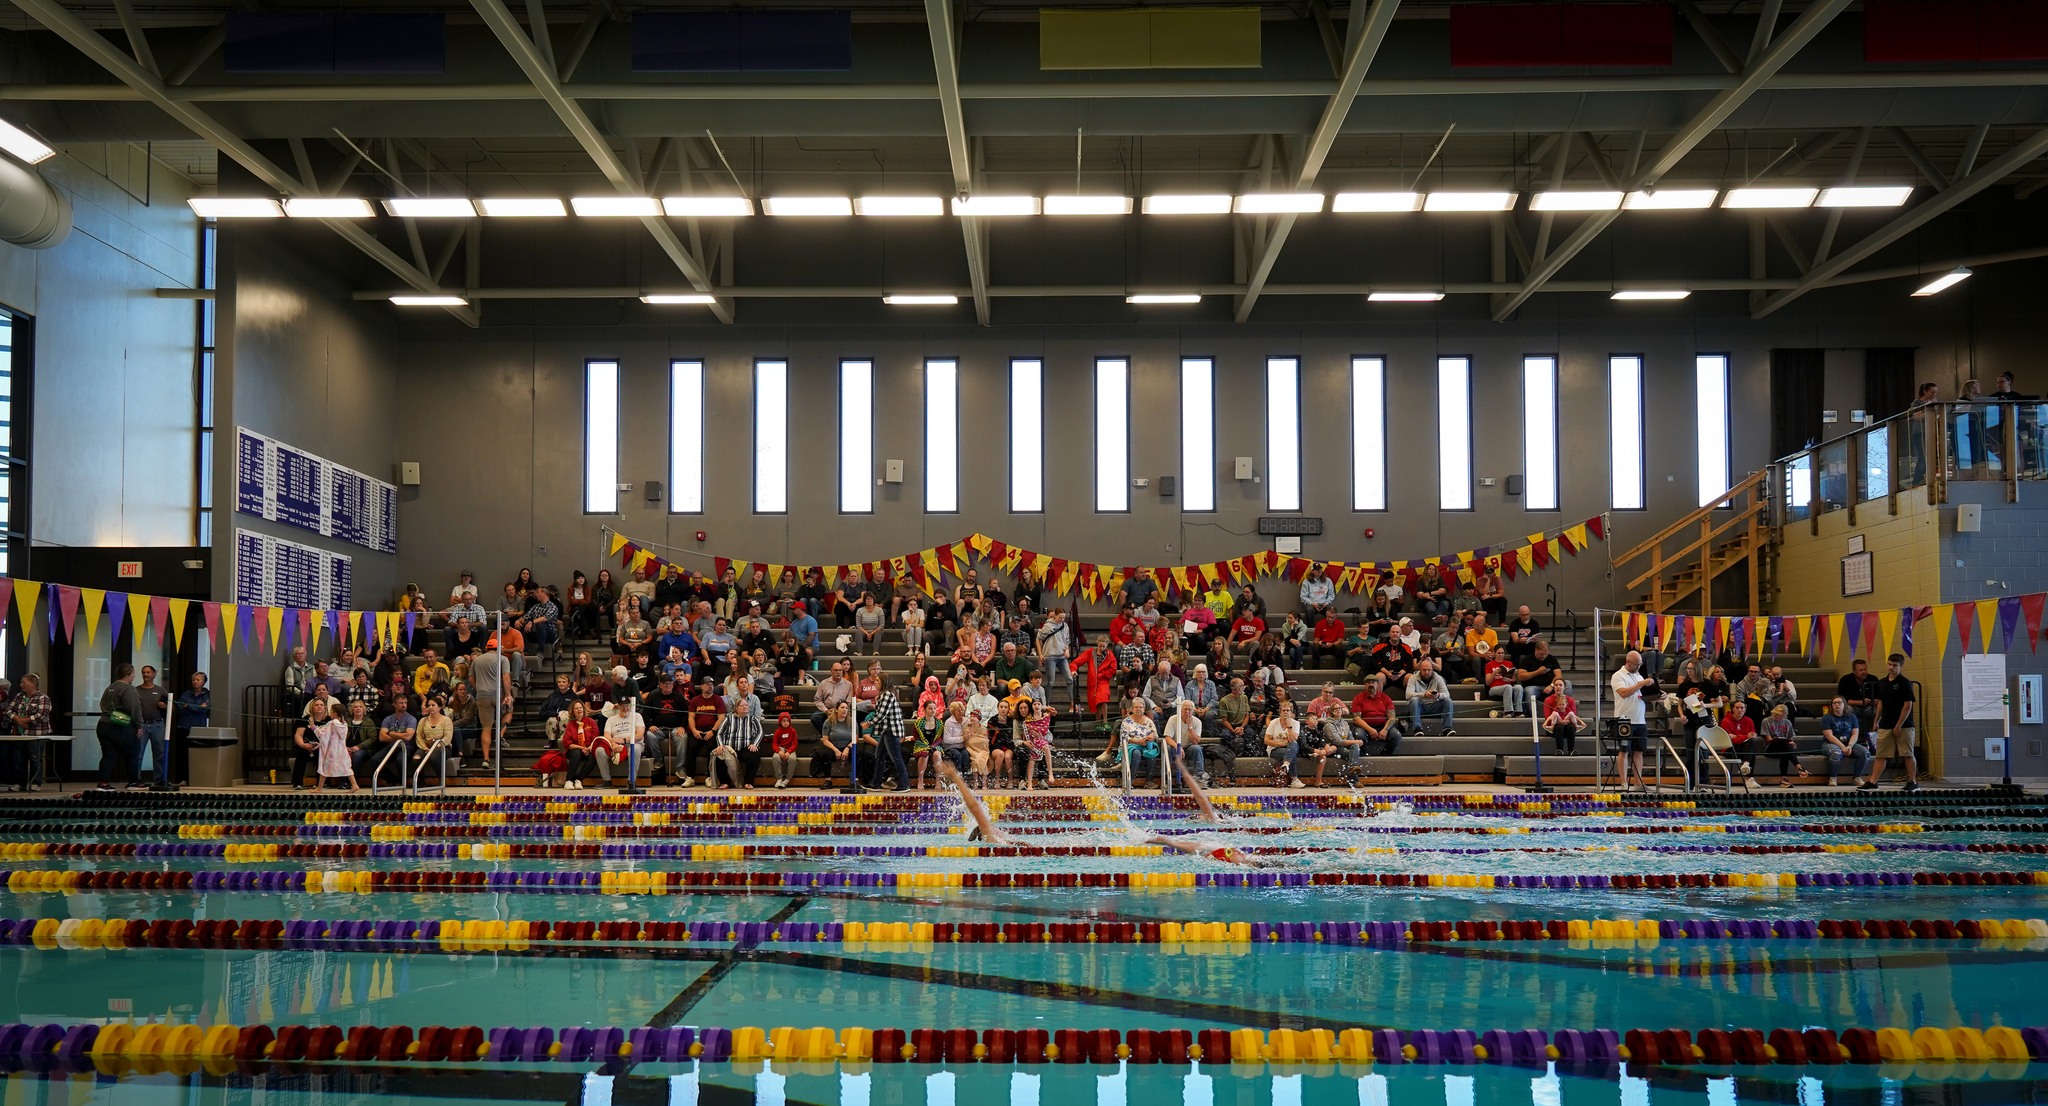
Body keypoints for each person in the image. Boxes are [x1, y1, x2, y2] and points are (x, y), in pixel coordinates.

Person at [1863, 653, 1919, 792]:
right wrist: (1876, 721)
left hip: (1904, 726)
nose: (1891, 667)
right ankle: (1873, 781)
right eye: (1889, 664)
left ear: (1900, 666)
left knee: (1907, 754)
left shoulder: (1904, 683)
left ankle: (1912, 781)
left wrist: (1898, 725)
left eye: (1894, 665)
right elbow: (1881, 703)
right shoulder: (1882, 682)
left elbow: (1908, 706)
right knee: (1881, 755)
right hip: (1885, 724)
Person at [1609, 650, 1654, 792]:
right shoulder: (1618, 676)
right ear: (1628, 662)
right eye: (1636, 664)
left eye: (1640, 664)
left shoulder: (1638, 676)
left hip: (1639, 719)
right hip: (1624, 719)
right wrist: (1641, 684)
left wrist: (1657, 695)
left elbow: (1641, 697)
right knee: (1624, 751)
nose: (1639, 667)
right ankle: (1623, 783)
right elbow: (1624, 693)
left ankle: (1638, 783)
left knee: (1639, 751)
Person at [940, 759, 1012, 845]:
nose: (997, 829)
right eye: (992, 829)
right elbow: (974, 807)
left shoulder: (1003, 842)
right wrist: (955, 776)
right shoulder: (991, 838)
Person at [709, 697, 764, 789]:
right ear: (736, 708)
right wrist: (720, 745)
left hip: (745, 748)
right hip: (729, 749)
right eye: (742, 705)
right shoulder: (728, 719)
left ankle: (748, 782)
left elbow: (760, 732)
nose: (744, 707)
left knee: (755, 755)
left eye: (746, 705)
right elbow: (720, 733)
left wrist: (755, 744)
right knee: (719, 755)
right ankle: (725, 782)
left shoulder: (753, 719)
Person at [133, 666, 171, 788]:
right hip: (141, 725)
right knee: (138, 753)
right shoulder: (135, 690)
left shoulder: (161, 691)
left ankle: (159, 780)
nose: (145, 674)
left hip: (157, 725)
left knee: (159, 753)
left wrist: (164, 706)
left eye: (148, 672)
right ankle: (136, 779)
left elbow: (173, 708)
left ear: (154, 674)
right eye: (143, 672)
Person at [598, 697, 647, 791]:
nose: (625, 708)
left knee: (635, 749)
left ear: (631, 706)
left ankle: (631, 781)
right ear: (618, 707)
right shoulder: (611, 720)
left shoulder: (637, 716)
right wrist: (613, 744)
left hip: (633, 743)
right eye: (622, 706)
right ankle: (607, 780)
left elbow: (640, 735)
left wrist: (624, 740)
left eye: (627, 705)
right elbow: (607, 735)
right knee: (600, 750)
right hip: (615, 744)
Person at [1820, 696, 1870, 787]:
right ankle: (1833, 777)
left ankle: (1857, 777)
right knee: (1836, 752)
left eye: (1839, 702)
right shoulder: (1827, 718)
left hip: (1848, 743)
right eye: (1834, 703)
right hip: (1830, 743)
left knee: (1865, 753)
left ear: (1844, 704)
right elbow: (1829, 736)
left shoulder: (1852, 717)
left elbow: (1855, 734)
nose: (1836, 705)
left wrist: (1850, 745)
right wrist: (1842, 747)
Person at [1161, 699, 1208, 792]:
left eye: (1190, 710)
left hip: (1189, 747)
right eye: (1185, 709)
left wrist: (1190, 727)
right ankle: (1167, 779)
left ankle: (1199, 777)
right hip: (1175, 745)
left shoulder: (1197, 722)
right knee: (1167, 748)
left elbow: (1195, 741)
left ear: (1193, 710)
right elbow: (1167, 737)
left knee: (1197, 748)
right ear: (1180, 710)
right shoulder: (1173, 719)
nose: (1187, 712)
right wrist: (1178, 747)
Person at [1347, 676, 1401, 757]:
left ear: (1377, 685)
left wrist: (1385, 730)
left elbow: (1392, 718)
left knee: (1396, 735)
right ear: (1365, 685)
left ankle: (1385, 755)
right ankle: (1364, 755)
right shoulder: (1358, 698)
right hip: (1365, 727)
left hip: (1383, 726)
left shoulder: (1386, 698)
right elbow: (1356, 719)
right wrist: (1370, 729)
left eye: (1373, 682)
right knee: (1358, 734)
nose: (1371, 684)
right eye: (1368, 682)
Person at [312, 702, 358, 793]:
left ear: (335, 713)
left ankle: (319, 788)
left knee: (324, 768)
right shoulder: (344, 723)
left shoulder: (332, 723)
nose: (330, 712)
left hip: (332, 751)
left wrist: (313, 727)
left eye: (332, 711)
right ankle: (354, 785)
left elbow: (323, 735)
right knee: (346, 768)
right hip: (341, 750)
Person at [1760, 704, 1808, 787]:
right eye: (1785, 714)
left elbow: (1790, 738)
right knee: (1784, 746)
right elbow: (1769, 740)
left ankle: (1784, 779)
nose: (1785, 716)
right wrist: (1784, 742)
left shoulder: (1787, 722)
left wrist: (1791, 743)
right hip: (1770, 748)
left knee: (1785, 752)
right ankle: (1799, 767)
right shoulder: (1766, 721)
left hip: (1784, 748)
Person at [1406, 661, 1455, 737]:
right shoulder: (1413, 678)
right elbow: (1408, 695)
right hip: (1420, 707)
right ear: (1420, 669)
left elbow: (1446, 694)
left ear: (1432, 669)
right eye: (1424, 670)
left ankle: (1447, 729)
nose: (1427, 672)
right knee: (1414, 700)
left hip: (1434, 705)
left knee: (1448, 701)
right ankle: (1417, 729)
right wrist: (1424, 695)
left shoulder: (1438, 678)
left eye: (1429, 670)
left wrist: (1438, 695)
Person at [1263, 699, 1304, 788]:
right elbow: (1266, 740)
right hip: (1274, 749)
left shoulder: (1296, 723)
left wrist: (1289, 727)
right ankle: (1294, 779)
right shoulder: (1274, 722)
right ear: (1280, 712)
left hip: (1289, 748)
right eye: (1283, 710)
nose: (1285, 712)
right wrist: (1281, 744)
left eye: (1288, 710)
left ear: (1291, 712)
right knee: (1292, 753)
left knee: (1294, 745)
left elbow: (1293, 739)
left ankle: (1286, 765)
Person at [1836, 658, 1879, 734]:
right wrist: (1860, 702)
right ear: (1854, 671)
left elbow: (1879, 696)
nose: (1863, 672)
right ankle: (1849, 733)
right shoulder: (1845, 680)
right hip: (1853, 707)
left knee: (1878, 709)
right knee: (1847, 709)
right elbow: (1843, 699)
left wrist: (1876, 701)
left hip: (1869, 707)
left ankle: (1873, 734)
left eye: (1865, 669)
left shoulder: (1873, 679)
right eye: (1860, 670)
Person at [1541, 680, 1581, 755]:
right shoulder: (1548, 700)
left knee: (1571, 727)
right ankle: (1559, 750)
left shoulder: (1570, 700)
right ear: (1554, 687)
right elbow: (1547, 716)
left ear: (1565, 687)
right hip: (1553, 727)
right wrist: (1559, 721)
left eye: (1560, 685)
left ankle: (1571, 750)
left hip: (1567, 726)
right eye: (1556, 685)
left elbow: (1574, 714)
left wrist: (1567, 721)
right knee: (1560, 727)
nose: (1558, 687)